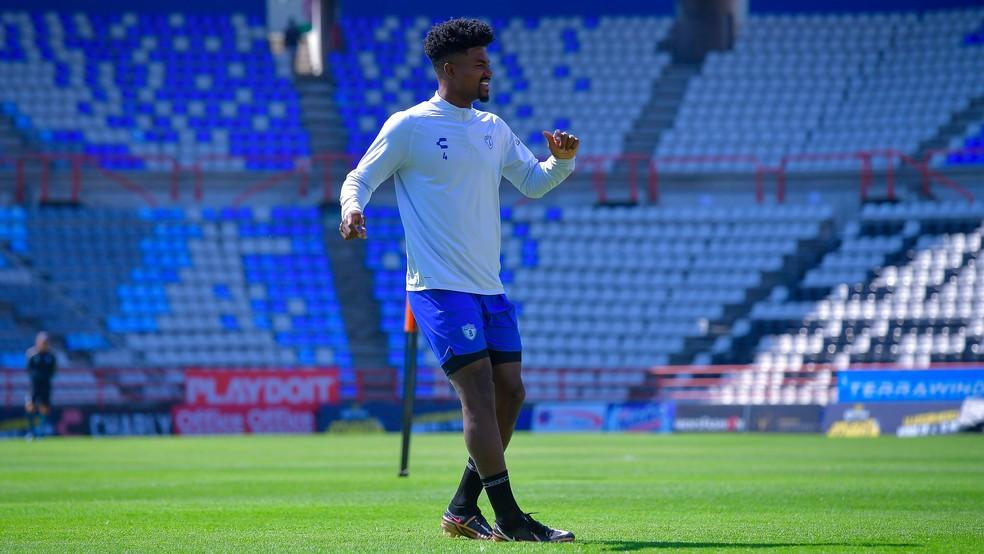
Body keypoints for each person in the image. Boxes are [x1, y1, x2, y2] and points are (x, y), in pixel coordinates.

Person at [339, 18, 579, 543]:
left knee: (511, 392)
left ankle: (463, 507)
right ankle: (511, 519)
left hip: (488, 287)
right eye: (479, 62)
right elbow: (360, 176)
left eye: (487, 61)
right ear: (450, 69)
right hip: (438, 288)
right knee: (478, 397)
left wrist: (561, 162)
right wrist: (353, 208)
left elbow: (533, 182)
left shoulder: (492, 128)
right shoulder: (410, 125)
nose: (488, 68)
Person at [25, 331, 57, 440]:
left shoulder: (51, 355)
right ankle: (30, 431)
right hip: (34, 385)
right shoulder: (32, 354)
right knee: (31, 406)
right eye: (43, 342)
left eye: (46, 342)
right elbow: (28, 369)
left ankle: (41, 431)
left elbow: (53, 370)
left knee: (45, 407)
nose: (44, 344)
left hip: (46, 385)